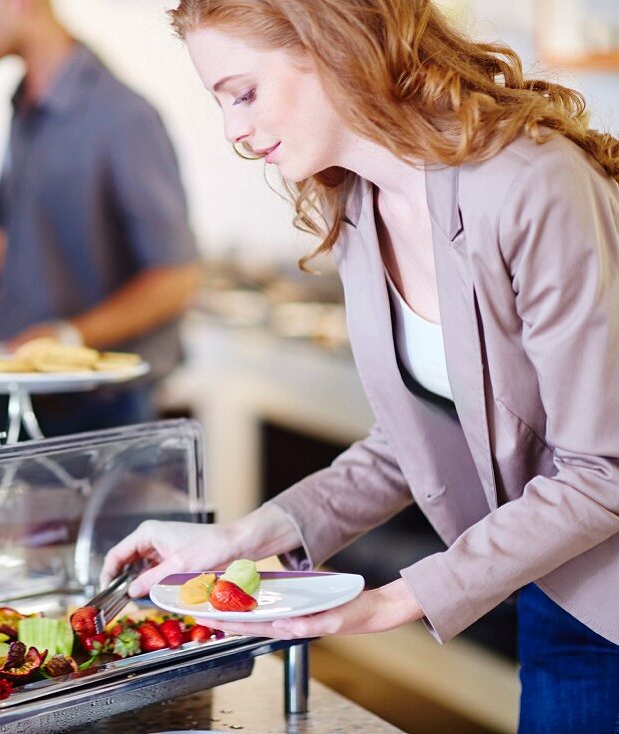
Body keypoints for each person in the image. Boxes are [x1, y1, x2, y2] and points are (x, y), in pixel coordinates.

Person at [101, 2, 619, 731]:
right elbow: (411, 442)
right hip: (554, 580)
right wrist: (242, 537)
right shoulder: (359, 205)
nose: (234, 131)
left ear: (334, 45)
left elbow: (602, 468)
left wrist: (389, 601)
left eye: (243, 93)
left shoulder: (533, 185)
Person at [0, 0, 202, 451]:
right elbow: (35, 273)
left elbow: (178, 278)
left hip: (100, 413)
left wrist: (69, 337)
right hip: (32, 401)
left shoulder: (123, 116)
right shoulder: (26, 106)